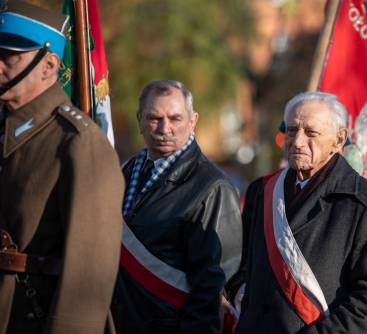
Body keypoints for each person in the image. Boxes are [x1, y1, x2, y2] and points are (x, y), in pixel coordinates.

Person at [0, 1, 125, 333]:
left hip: (33, 317)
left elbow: (87, 279)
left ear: (49, 64)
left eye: (9, 59)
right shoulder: (6, 131)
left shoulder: (79, 143)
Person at [235, 92, 367, 333]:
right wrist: (241, 289)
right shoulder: (261, 191)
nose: (297, 141)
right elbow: (239, 260)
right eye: (292, 130)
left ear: (339, 139)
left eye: (311, 133)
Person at [112, 80, 242, 334]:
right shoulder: (126, 172)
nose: (164, 128)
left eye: (175, 118)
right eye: (154, 118)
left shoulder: (212, 187)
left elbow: (211, 288)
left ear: (193, 122)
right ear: (139, 120)